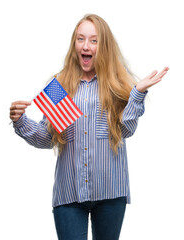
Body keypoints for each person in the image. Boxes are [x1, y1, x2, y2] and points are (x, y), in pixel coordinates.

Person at [10, 14, 169, 240]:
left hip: (111, 192)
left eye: (94, 40)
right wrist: (20, 121)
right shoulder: (60, 85)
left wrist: (137, 94)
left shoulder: (116, 84)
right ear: (74, 44)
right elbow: (48, 138)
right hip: (69, 195)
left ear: (103, 46)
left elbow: (126, 130)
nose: (86, 46)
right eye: (80, 39)